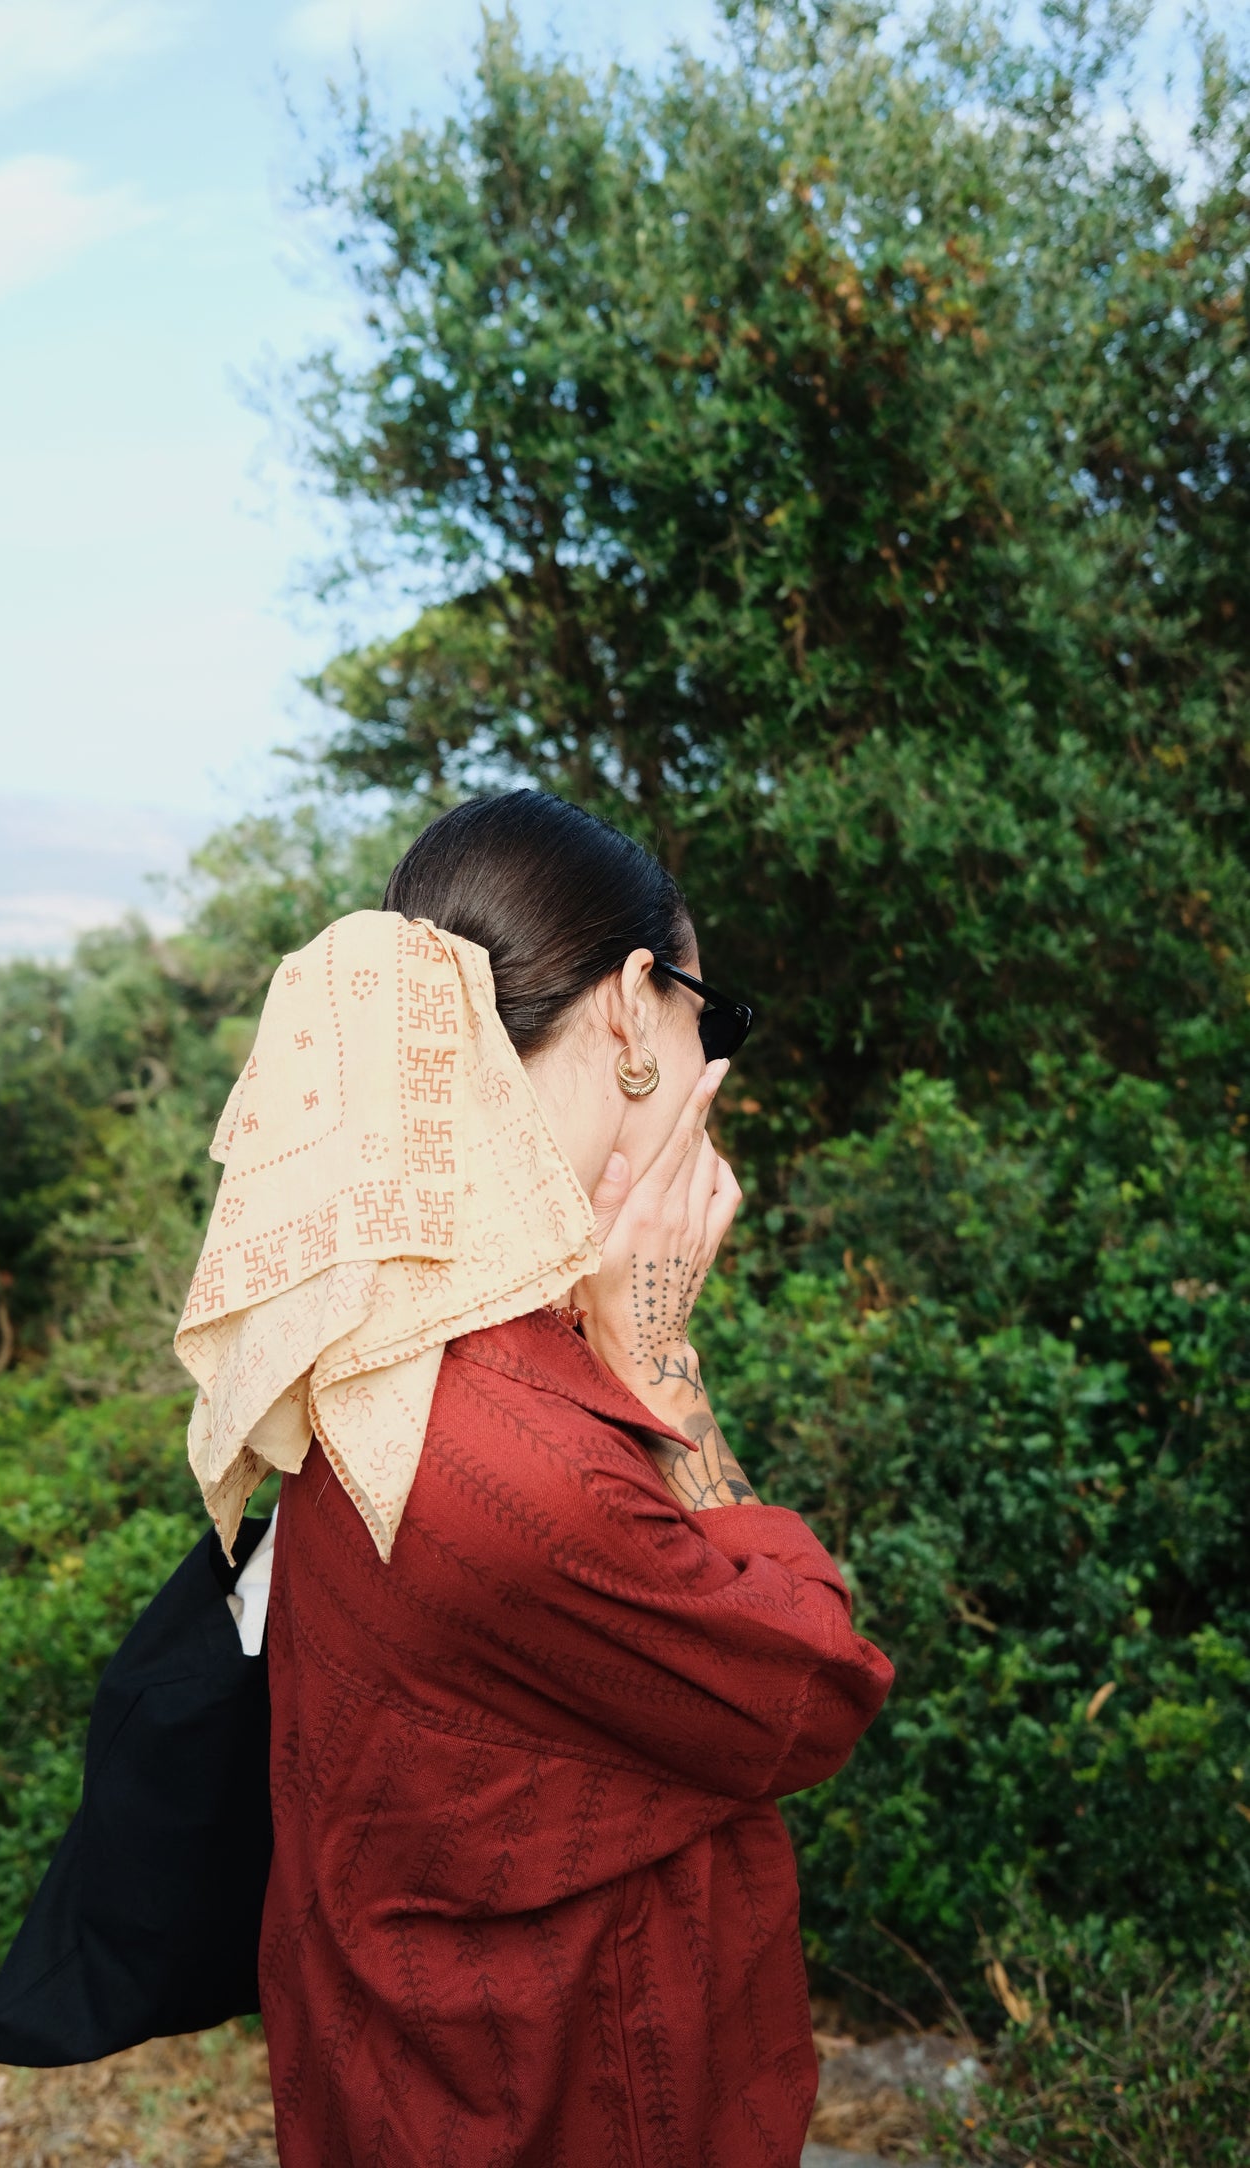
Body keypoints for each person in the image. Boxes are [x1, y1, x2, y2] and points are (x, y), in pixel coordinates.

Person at [175, 791, 893, 2166]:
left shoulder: (374, 1329)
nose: (706, 1059)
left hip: (399, 2075)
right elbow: (810, 1691)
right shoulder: (529, 1442)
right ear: (634, 1009)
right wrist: (666, 1367)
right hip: (564, 2096)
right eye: (708, 1018)